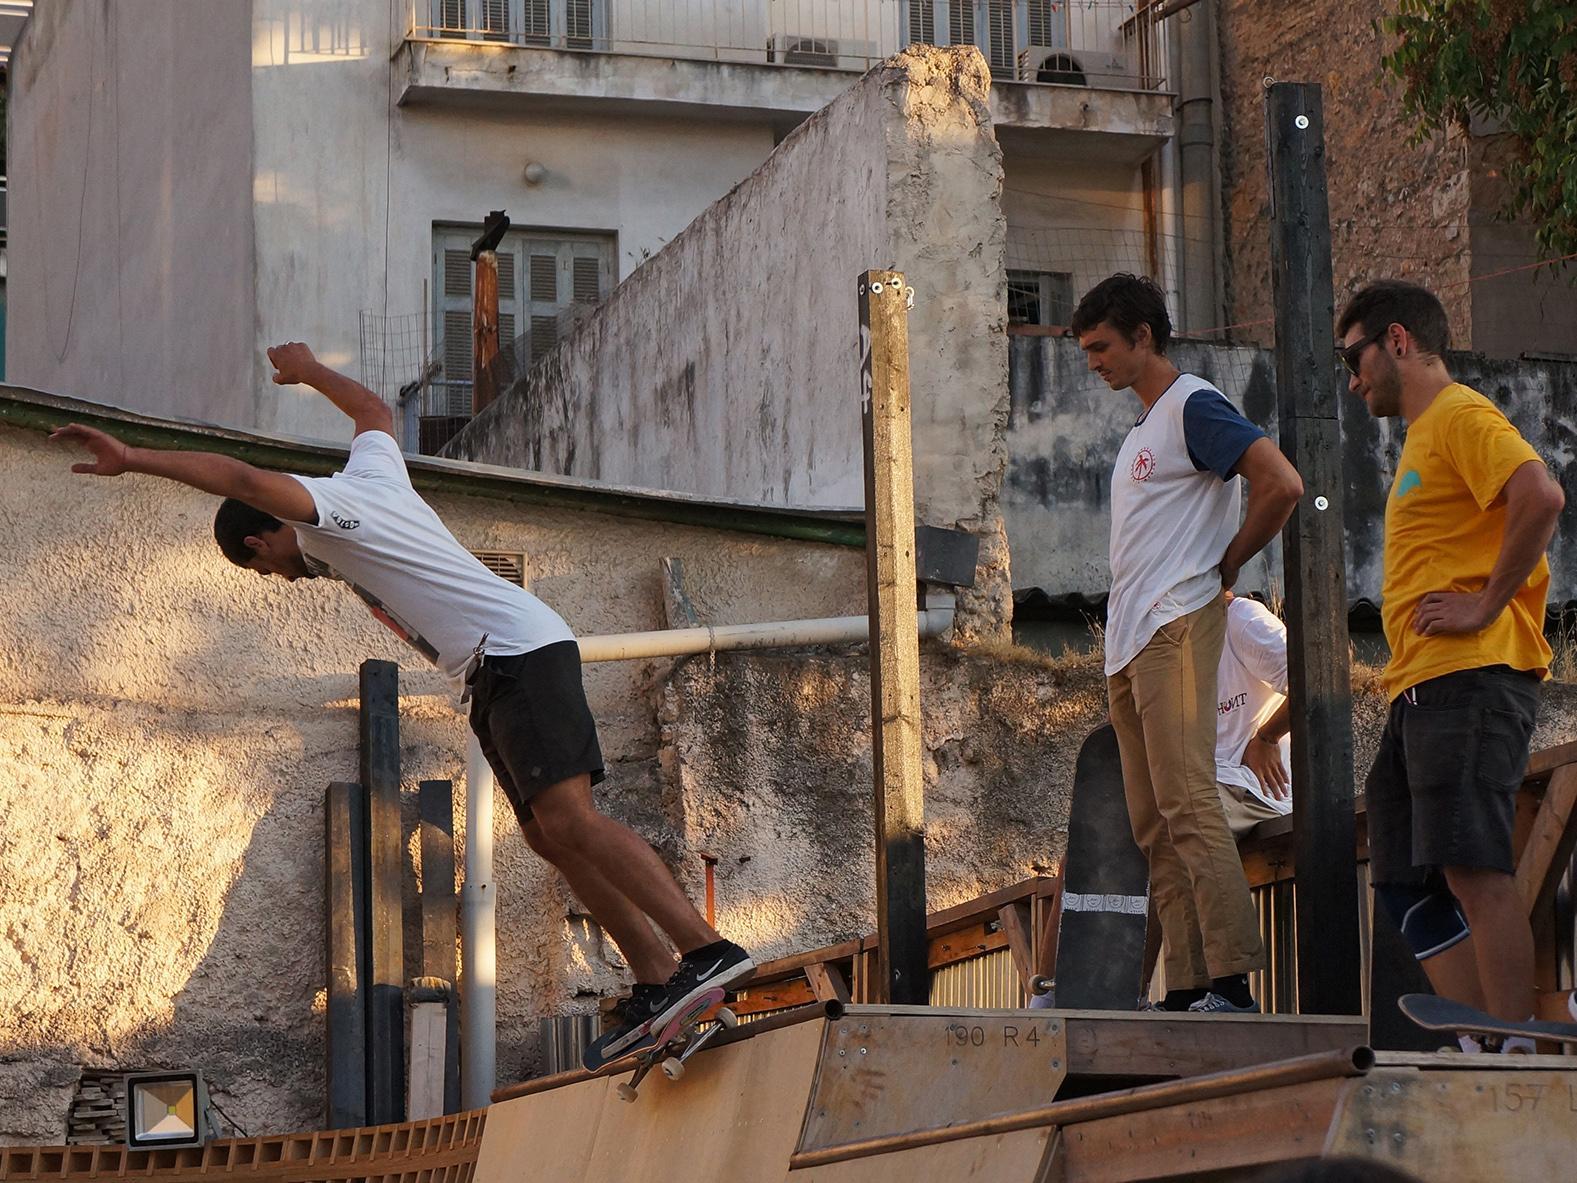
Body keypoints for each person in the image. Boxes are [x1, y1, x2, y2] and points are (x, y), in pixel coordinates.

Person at [51, 342, 753, 1057]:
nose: (282, 579)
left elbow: (238, 476)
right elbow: (372, 412)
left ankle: (706, 950)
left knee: (571, 817)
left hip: (517, 653)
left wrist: (132, 457)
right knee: (548, 834)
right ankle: (657, 974)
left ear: (262, 539)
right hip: (493, 668)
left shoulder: (327, 511)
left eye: (265, 568)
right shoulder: (373, 472)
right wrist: (310, 373)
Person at [1072, 273, 1303, 1013]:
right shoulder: (1142, 431)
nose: (1093, 362)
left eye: (1101, 347)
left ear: (1143, 336)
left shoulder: (1192, 405)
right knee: (1153, 822)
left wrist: (1226, 565)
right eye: (1085, 350)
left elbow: (1281, 483)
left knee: (1188, 800)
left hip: (1175, 623)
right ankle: (1189, 985)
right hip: (1128, 641)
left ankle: (1233, 982)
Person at [1340, 280, 1563, 1034]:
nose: (1351, 380)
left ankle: (1516, 1049)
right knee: (1405, 880)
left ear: (1397, 341)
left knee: (1474, 869)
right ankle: (1479, 1039)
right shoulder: (1423, 434)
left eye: (1352, 358)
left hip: (1470, 677)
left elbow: (1541, 496)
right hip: (1420, 688)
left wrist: (1485, 603)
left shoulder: (1459, 413)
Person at [1215, 592, 1293, 838]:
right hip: (1208, 784)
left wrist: (1268, 737)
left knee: (1190, 817)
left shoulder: (1243, 620)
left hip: (1256, 791)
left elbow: (1314, 680)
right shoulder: (1171, 644)